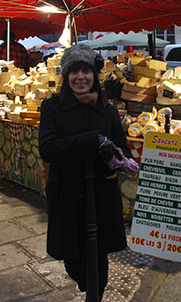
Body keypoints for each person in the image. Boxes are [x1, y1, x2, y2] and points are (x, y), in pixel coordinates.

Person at [38, 44, 133, 301]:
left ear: (94, 75)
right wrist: (90, 140)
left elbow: (122, 146)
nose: (81, 77)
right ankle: (86, 283)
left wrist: (124, 160)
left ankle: (95, 297)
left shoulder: (108, 110)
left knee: (99, 260)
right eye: (75, 71)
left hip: (101, 193)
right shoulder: (53, 108)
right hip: (67, 192)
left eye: (86, 71)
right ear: (66, 76)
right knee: (74, 259)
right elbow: (47, 149)